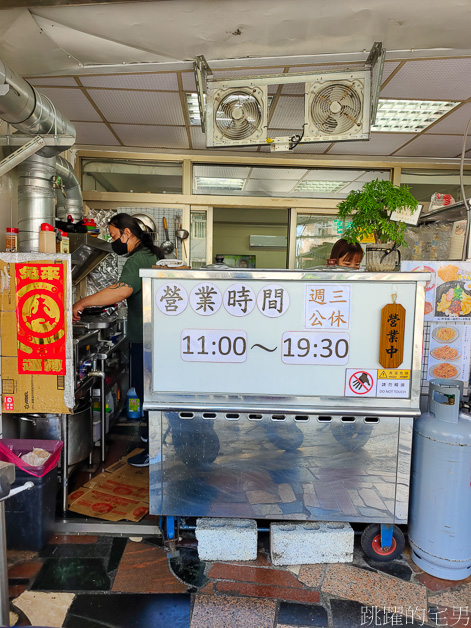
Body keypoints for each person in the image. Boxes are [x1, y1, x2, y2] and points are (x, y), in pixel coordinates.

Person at [73, 213, 165, 467]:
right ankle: (151, 437)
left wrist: (82, 302)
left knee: (149, 395)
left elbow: (122, 290)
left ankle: (154, 451)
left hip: (147, 342)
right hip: (152, 339)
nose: (114, 242)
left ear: (127, 233)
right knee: (150, 394)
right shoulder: (150, 256)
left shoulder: (138, 259)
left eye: (114, 236)